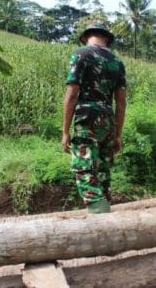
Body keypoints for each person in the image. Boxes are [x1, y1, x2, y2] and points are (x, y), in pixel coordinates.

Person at [62, 21, 126, 214]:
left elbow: (72, 94)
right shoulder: (117, 62)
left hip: (87, 117)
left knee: (84, 169)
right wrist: (117, 134)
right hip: (108, 119)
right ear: (106, 38)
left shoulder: (81, 54)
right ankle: (106, 217)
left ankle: (100, 215)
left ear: (86, 36)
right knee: (103, 171)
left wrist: (65, 131)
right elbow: (121, 102)